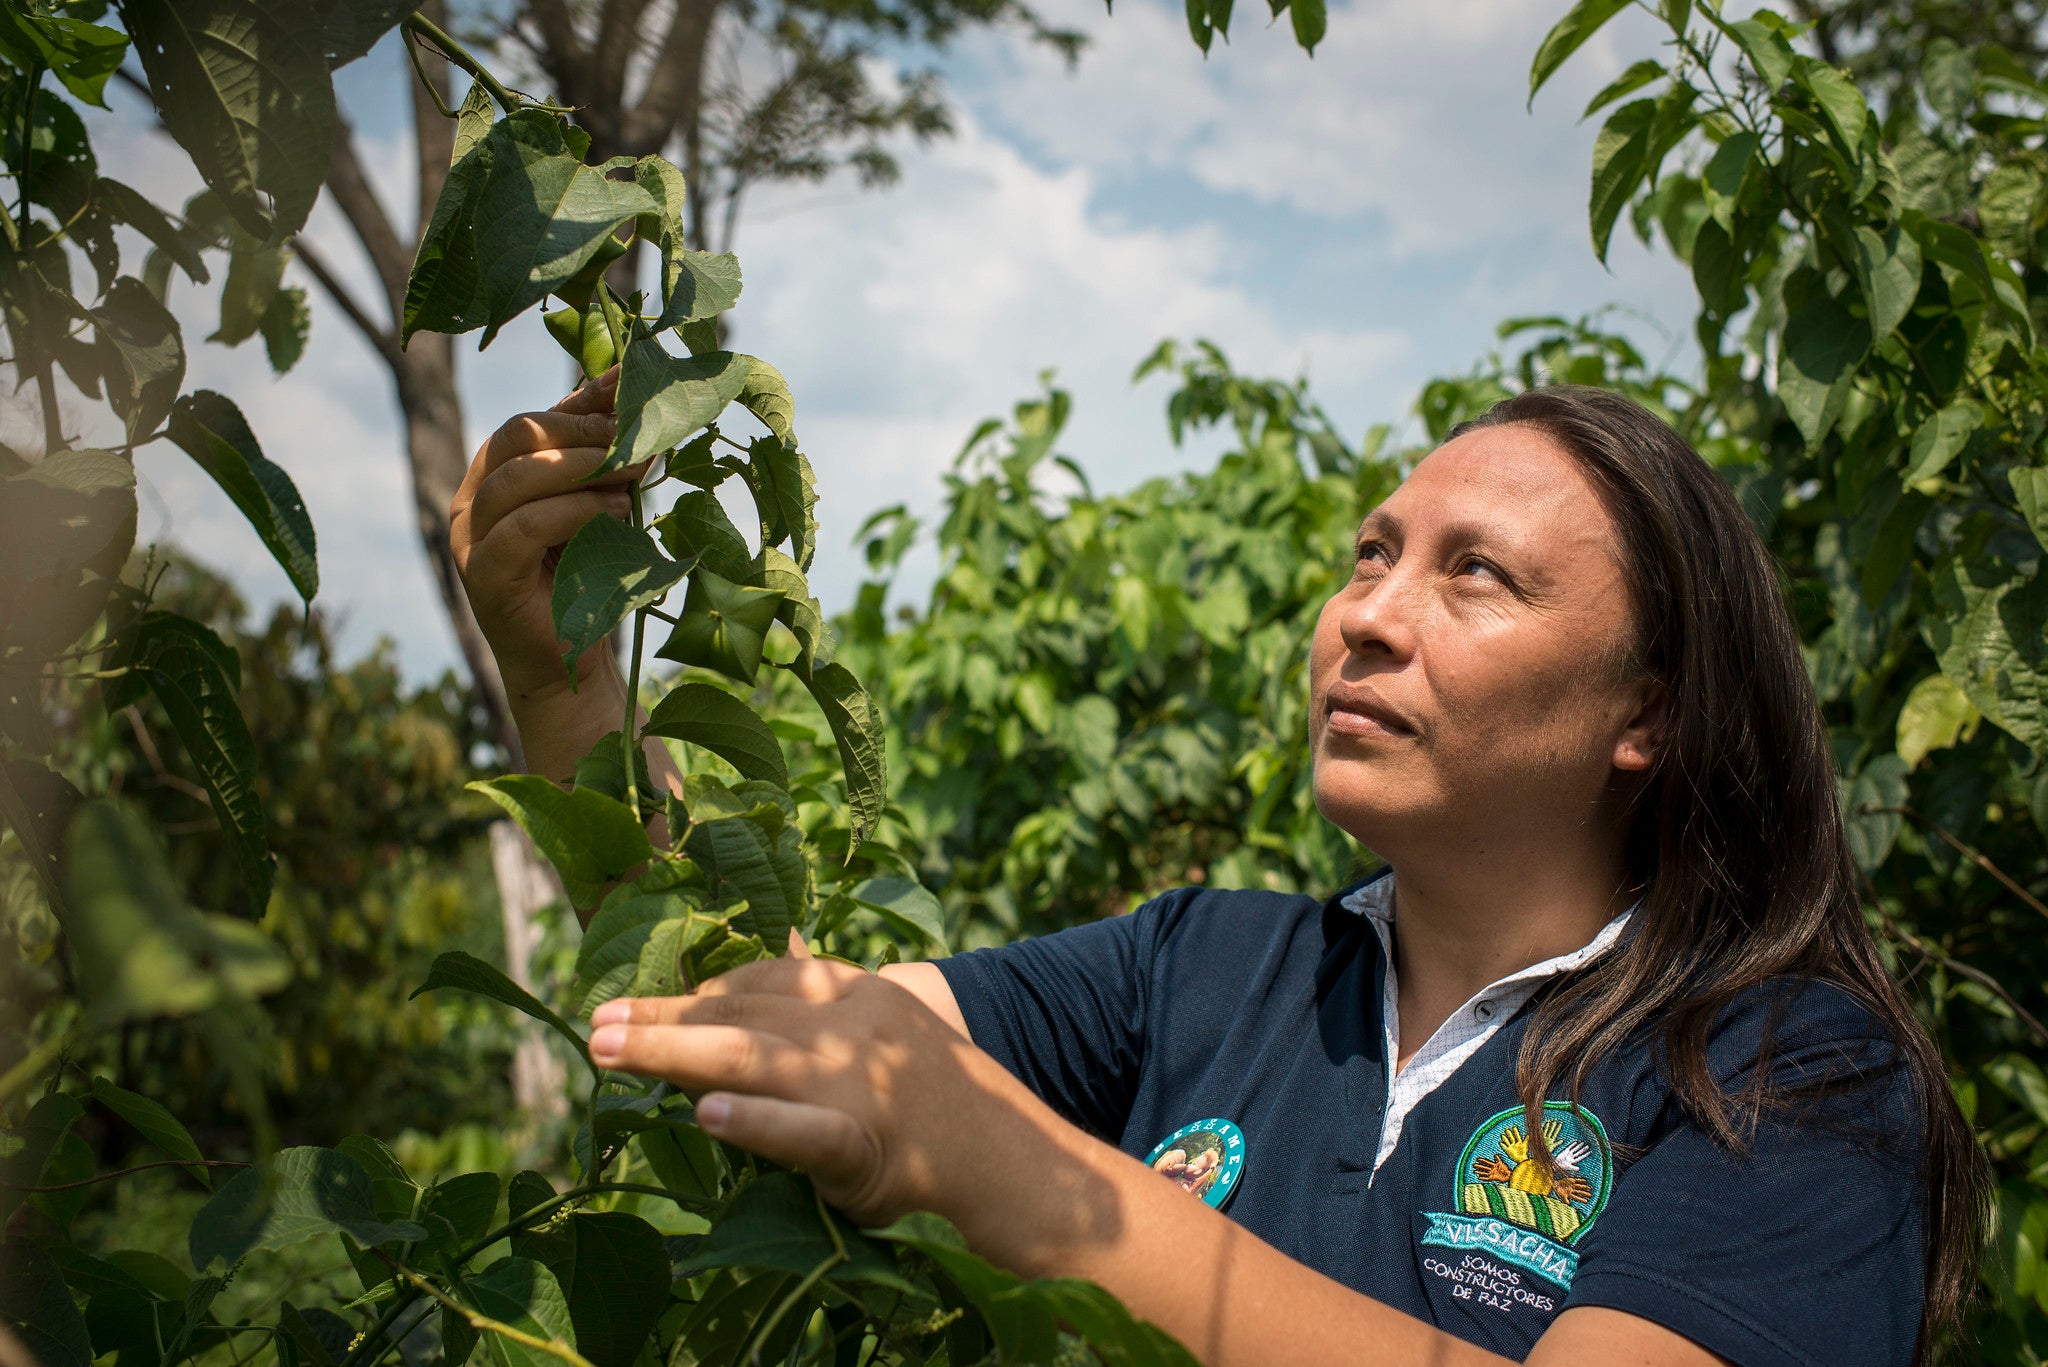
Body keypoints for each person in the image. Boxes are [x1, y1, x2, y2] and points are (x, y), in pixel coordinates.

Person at [451, 376, 1985, 1366]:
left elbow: (947, 1126)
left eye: (1476, 573)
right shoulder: (1204, 966)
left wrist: (1023, 1176)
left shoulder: (1788, 1074)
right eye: (1372, 553)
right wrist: (570, 676)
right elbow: (762, 1031)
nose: (1367, 615)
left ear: (1644, 711)